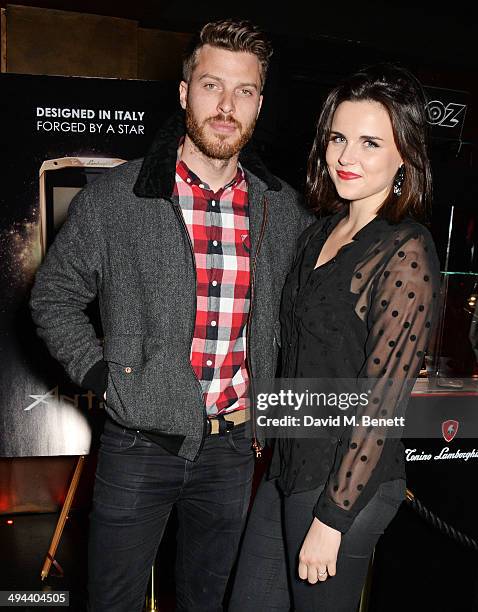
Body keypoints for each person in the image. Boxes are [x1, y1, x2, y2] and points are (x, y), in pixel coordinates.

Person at [29, 19, 311, 612]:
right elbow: (53, 295)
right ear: (184, 93)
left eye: (244, 91)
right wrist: (106, 378)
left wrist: (276, 399)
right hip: (138, 445)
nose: (226, 106)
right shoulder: (117, 198)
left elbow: (307, 314)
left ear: (260, 104)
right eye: (212, 86)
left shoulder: (283, 211)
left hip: (234, 451)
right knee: (114, 602)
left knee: (208, 602)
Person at [229, 63, 441, 611]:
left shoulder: (406, 249)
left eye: (371, 142)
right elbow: (300, 351)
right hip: (289, 465)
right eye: (338, 138)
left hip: (344, 483)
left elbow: (383, 398)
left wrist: (332, 517)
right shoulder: (321, 231)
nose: (347, 157)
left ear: (404, 156)